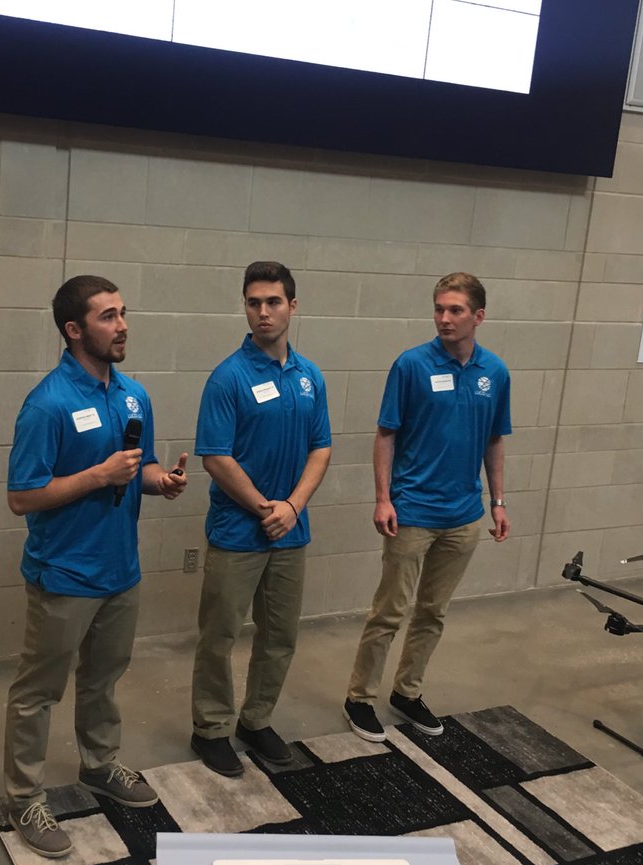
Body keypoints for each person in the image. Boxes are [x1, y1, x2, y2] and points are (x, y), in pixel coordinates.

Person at [3, 275, 188, 858]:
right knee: (38, 692)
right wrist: (97, 477)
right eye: (108, 316)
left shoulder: (134, 395)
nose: (123, 325)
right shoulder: (48, 404)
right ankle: (23, 794)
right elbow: (22, 496)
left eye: (124, 313)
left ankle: (99, 765)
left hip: (119, 572)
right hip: (64, 574)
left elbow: (144, 467)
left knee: (104, 680)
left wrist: (164, 481)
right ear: (74, 329)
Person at [343, 272, 511, 742]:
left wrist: (497, 502)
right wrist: (383, 498)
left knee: (433, 612)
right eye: (439, 309)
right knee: (389, 612)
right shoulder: (411, 366)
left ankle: (407, 692)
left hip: (464, 517)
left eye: (455, 310)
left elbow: (495, 441)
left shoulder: (494, 373)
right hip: (412, 511)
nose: (444, 318)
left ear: (478, 316)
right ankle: (359, 698)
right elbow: (386, 433)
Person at [190, 261, 332, 777]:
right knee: (220, 635)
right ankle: (210, 728)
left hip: (291, 531)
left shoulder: (309, 376)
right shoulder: (228, 377)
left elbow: (321, 448)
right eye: (254, 303)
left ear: (292, 306)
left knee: (279, 636)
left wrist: (291, 507)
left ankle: (256, 720)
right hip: (237, 532)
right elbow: (216, 456)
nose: (263, 312)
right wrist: (263, 507)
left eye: (273, 302)